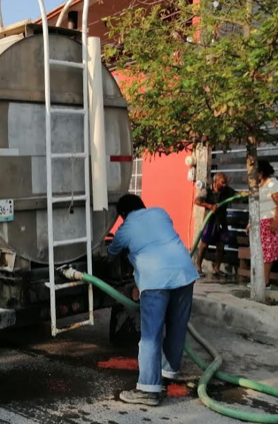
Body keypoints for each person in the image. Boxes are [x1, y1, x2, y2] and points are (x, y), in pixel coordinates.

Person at [108, 195, 199, 407]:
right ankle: (168, 372)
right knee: (177, 327)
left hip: (155, 279)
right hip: (185, 274)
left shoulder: (125, 228)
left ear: (122, 214)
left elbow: (112, 253)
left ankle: (148, 390)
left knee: (151, 335)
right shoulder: (160, 212)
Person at [246, 160, 278, 290]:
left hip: (270, 221)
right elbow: (256, 206)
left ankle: (265, 282)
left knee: (267, 253)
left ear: (261, 173)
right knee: (258, 252)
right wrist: (250, 222)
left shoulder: (274, 184)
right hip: (259, 222)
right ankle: (258, 280)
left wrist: (275, 222)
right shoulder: (259, 185)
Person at [194, 173, 239, 278]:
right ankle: (198, 268)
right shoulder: (207, 191)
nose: (224, 185)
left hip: (221, 221)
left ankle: (216, 269)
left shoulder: (227, 190)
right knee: (204, 245)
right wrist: (209, 206)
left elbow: (236, 195)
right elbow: (197, 201)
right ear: (216, 181)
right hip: (209, 221)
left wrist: (245, 194)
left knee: (221, 246)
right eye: (222, 182)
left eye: (225, 182)